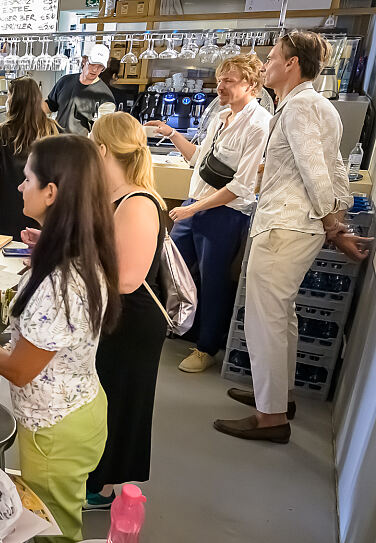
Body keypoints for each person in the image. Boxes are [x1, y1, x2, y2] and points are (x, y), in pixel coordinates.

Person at [0, 134, 118, 543]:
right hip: (80, 409)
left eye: (26, 179)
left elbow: (20, 370)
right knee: (62, 514)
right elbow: (49, 323)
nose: (19, 187)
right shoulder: (77, 250)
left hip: (55, 429)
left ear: (51, 193)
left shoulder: (61, 279)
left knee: (59, 537)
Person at [214, 31, 371, 443]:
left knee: (265, 321)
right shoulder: (320, 106)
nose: (266, 64)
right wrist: (334, 218)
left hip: (284, 226)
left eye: (272, 58)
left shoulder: (299, 107)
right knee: (282, 317)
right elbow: (336, 170)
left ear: (292, 64)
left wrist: (334, 226)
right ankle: (279, 399)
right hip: (298, 225)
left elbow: (317, 173)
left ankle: (271, 418)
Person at [146, 54, 271, 374]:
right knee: (169, 269)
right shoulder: (220, 116)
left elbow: (243, 185)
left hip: (225, 213)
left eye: (229, 81)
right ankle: (176, 327)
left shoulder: (258, 124)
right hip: (196, 205)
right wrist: (172, 134)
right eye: (220, 80)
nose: (221, 87)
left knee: (214, 282)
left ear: (251, 85)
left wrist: (193, 208)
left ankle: (206, 348)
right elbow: (199, 160)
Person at [82, 113, 166, 510]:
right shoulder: (115, 197)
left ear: (101, 150)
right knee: (106, 398)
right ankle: (98, 477)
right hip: (115, 314)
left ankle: (104, 486)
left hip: (131, 318)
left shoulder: (136, 202)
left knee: (119, 400)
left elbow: (128, 277)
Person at [0, 77, 59, 240]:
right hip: (42, 207)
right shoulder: (52, 129)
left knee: (2, 255)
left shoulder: (3, 132)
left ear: (14, 101)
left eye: (8, 96)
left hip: (8, 210)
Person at [45, 43, 115, 135]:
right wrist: (28, 108)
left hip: (82, 145)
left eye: (100, 67)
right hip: (57, 141)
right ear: (84, 61)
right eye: (92, 64)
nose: (95, 70)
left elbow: (104, 130)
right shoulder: (65, 81)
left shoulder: (105, 96)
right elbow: (50, 105)